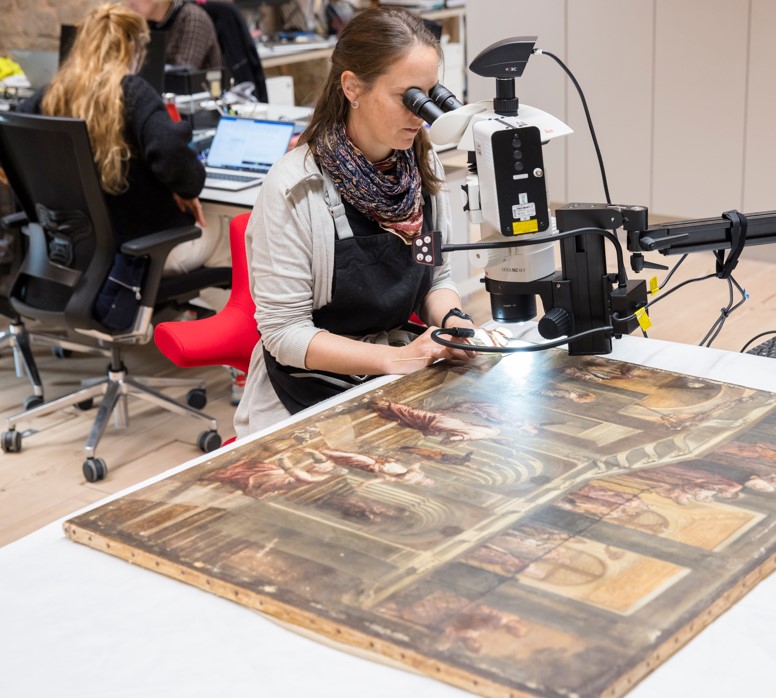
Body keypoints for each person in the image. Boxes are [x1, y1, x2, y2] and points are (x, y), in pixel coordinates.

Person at [234, 7, 500, 438]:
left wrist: (452, 321)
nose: (421, 115)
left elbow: (435, 276)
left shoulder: (422, 167)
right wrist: (398, 359)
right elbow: (285, 335)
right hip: (309, 387)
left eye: (430, 95)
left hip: (395, 368)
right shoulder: (295, 187)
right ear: (352, 87)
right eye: (407, 97)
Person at [16, 3, 215, 276]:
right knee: (237, 230)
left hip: (76, 253)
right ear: (132, 48)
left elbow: (14, 137)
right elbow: (172, 152)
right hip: (143, 251)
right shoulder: (133, 92)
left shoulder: (51, 94)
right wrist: (186, 189)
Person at [123, 0, 221, 71]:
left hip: (201, 91)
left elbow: (183, 71)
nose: (129, 2)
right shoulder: (141, 23)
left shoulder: (193, 18)